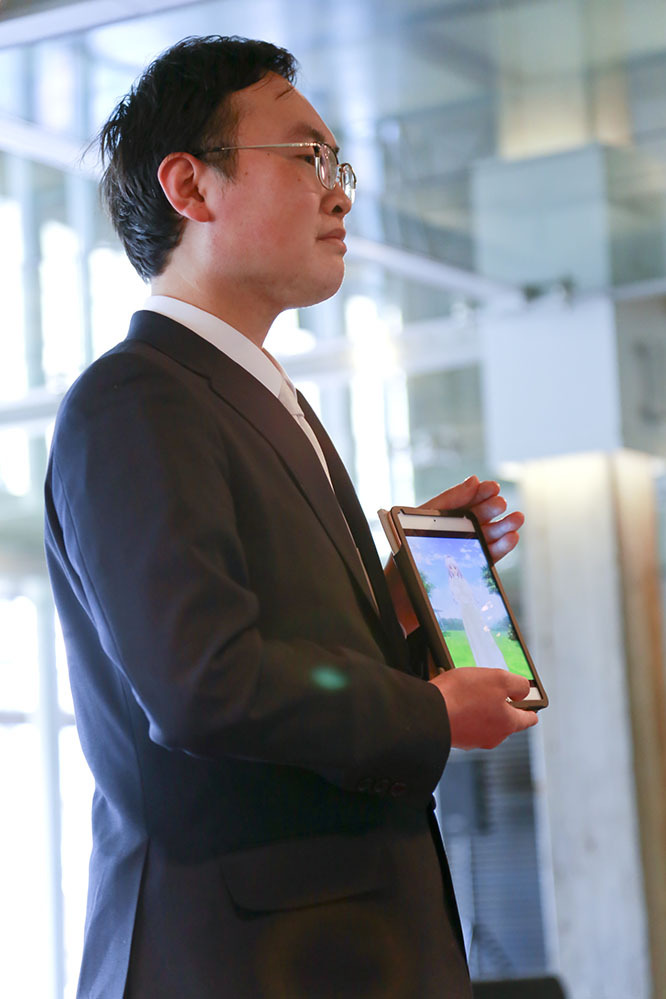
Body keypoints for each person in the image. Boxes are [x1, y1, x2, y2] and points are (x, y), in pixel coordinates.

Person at [44, 35, 537, 999]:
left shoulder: (259, 397)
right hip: (243, 955)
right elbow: (202, 682)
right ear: (191, 186)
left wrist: (392, 603)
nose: (341, 191)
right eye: (308, 156)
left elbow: (261, 647)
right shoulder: (135, 398)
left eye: (338, 164)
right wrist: (431, 710)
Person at [445, 556, 509, 670]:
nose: (453, 570)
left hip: (473, 609)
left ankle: (496, 663)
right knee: (474, 637)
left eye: (454, 567)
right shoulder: (452, 583)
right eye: (450, 568)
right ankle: (484, 665)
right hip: (466, 611)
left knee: (484, 635)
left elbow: (469, 595)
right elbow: (458, 596)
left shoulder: (462, 580)